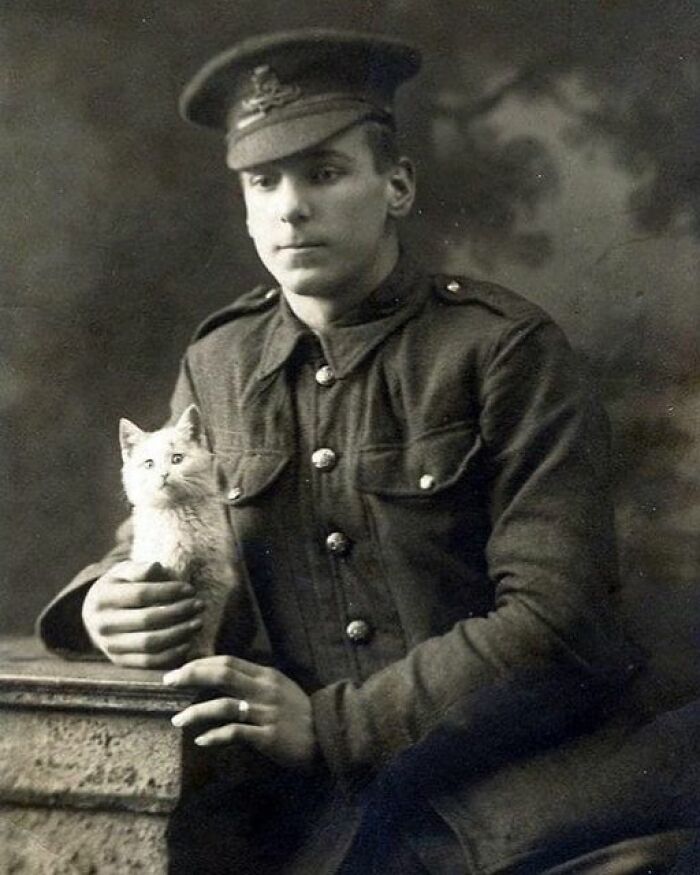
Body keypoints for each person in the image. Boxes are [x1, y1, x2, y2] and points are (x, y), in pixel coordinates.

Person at [36, 28, 697, 874]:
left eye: (324, 172)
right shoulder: (219, 361)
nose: (290, 207)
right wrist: (103, 603)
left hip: (520, 794)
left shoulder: (501, 351)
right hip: (298, 813)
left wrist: (336, 724)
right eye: (262, 181)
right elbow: (168, 527)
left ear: (397, 185)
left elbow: (557, 617)